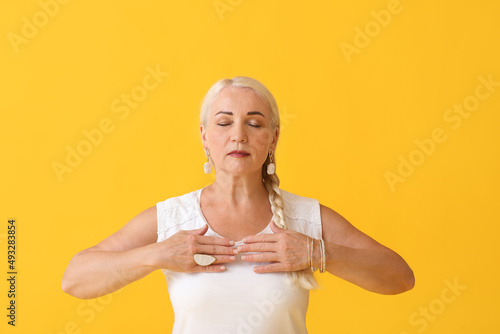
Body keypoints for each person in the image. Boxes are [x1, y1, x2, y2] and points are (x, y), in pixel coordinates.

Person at [62, 76, 415, 333]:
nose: (239, 135)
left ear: (273, 138)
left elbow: (399, 277)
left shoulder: (304, 217)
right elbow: (75, 279)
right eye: (224, 122)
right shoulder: (173, 219)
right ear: (204, 136)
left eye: (254, 123)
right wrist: (158, 254)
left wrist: (316, 252)